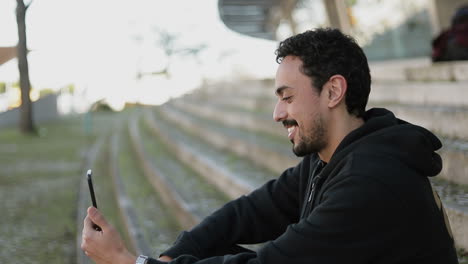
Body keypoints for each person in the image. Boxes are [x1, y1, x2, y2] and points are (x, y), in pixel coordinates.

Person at [81, 28, 459, 264]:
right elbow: (249, 212)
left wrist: (128, 263)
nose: (278, 113)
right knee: (207, 249)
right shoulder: (329, 159)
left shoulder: (371, 183)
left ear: (333, 91)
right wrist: (172, 256)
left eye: (287, 97)